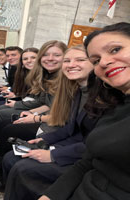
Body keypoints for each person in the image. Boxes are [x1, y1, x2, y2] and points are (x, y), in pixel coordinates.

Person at [38, 22, 130, 200]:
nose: (104, 62)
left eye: (115, 49)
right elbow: (89, 159)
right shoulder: (115, 104)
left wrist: (53, 153)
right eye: (96, 60)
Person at [0, 45, 98, 198]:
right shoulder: (79, 89)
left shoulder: (101, 95)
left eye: (80, 60)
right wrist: (44, 139)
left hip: (86, 157)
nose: (72, 64)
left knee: (22, 168)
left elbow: (92, 144)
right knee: (10, 157)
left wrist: (53, 154)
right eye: (68, 60)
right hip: (72, 143)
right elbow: (70, 127)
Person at [0, 40, 67, 165]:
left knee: (3, 115)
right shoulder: (45, 75)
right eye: (46, 55)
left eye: (56, 55)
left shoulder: (63, 80)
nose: (50, 59)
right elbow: (42, 101)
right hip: (43, 114)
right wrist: (29, 111)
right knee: (2, 113)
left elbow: (53, 110)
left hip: (51, 122)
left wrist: (33, 116)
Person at [0, 46, 23, 121]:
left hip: (19, 96)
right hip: (16, 92)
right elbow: (13, 82)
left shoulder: (14, 67)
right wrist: (7, 87)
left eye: (0, 55)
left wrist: (8, 89)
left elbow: (19, 85)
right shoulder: (10, 66)